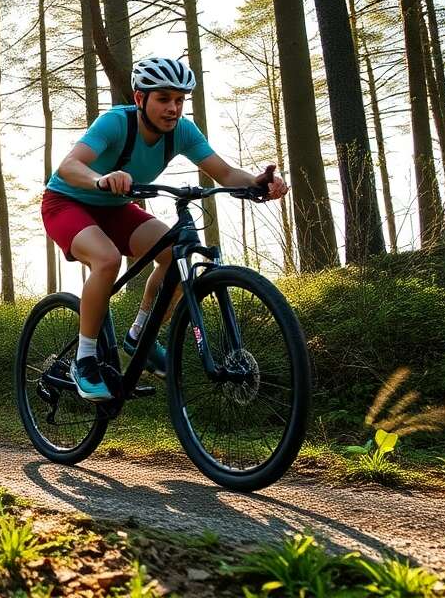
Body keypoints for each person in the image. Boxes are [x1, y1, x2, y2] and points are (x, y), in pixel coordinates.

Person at [41, 56, 288, 402]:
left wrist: (260, 183)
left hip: (116, 209)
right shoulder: (116, 123)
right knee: (107, 259)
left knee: (175, 255)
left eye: (179, 100)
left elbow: (226, 174)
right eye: (163, 99)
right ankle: (84, 361)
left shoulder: (183, 131)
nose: (173, 108)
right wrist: (101, 179)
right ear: (140, 98)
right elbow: (69, 167)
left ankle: (139, 335)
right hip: (66, 203)